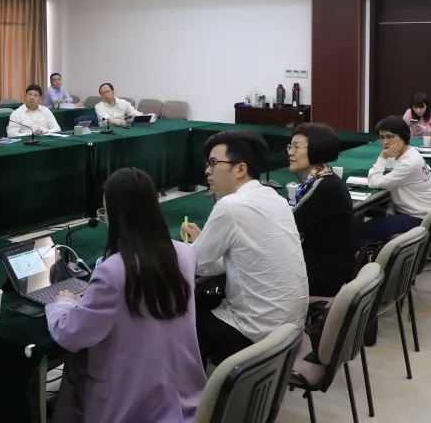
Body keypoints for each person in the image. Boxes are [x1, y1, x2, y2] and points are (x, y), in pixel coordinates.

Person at [46, 168, 206, 423]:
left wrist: (62, 302)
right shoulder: (186, 254)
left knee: (75, 367)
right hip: (185, 399)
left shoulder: (114, 272)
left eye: (105, 211)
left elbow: (72, 335)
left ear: (116, 215)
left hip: (132, 406)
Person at [180, 132, 308, 364]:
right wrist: (205, 244)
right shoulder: (276, 199)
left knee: (180, 316)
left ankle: (191, 385)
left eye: (213, 163)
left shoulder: (231, 205)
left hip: (254, 335)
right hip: (289, 332)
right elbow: (240, 259)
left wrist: (190, 247)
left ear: (240, 169)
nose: (207, 170)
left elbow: (194, 264)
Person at [287, 123, 358, 298]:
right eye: (290, 146)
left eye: (297, 147)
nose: (290, 152)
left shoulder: (324, 186)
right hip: (326, 265)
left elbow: (289, 223)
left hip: (325, 276)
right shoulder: (323, 177)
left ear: (317, 149)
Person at [359, 116, 431, 246]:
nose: (385, 142)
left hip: (417, 219)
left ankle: (362, 257)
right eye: (382, 137)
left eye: (390, 137)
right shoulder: (410, 152)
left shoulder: (409, 162)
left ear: (403, 136)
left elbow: (374, 183)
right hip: (417, 212)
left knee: (363, 230)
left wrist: (382, 156)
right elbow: (389, 167)